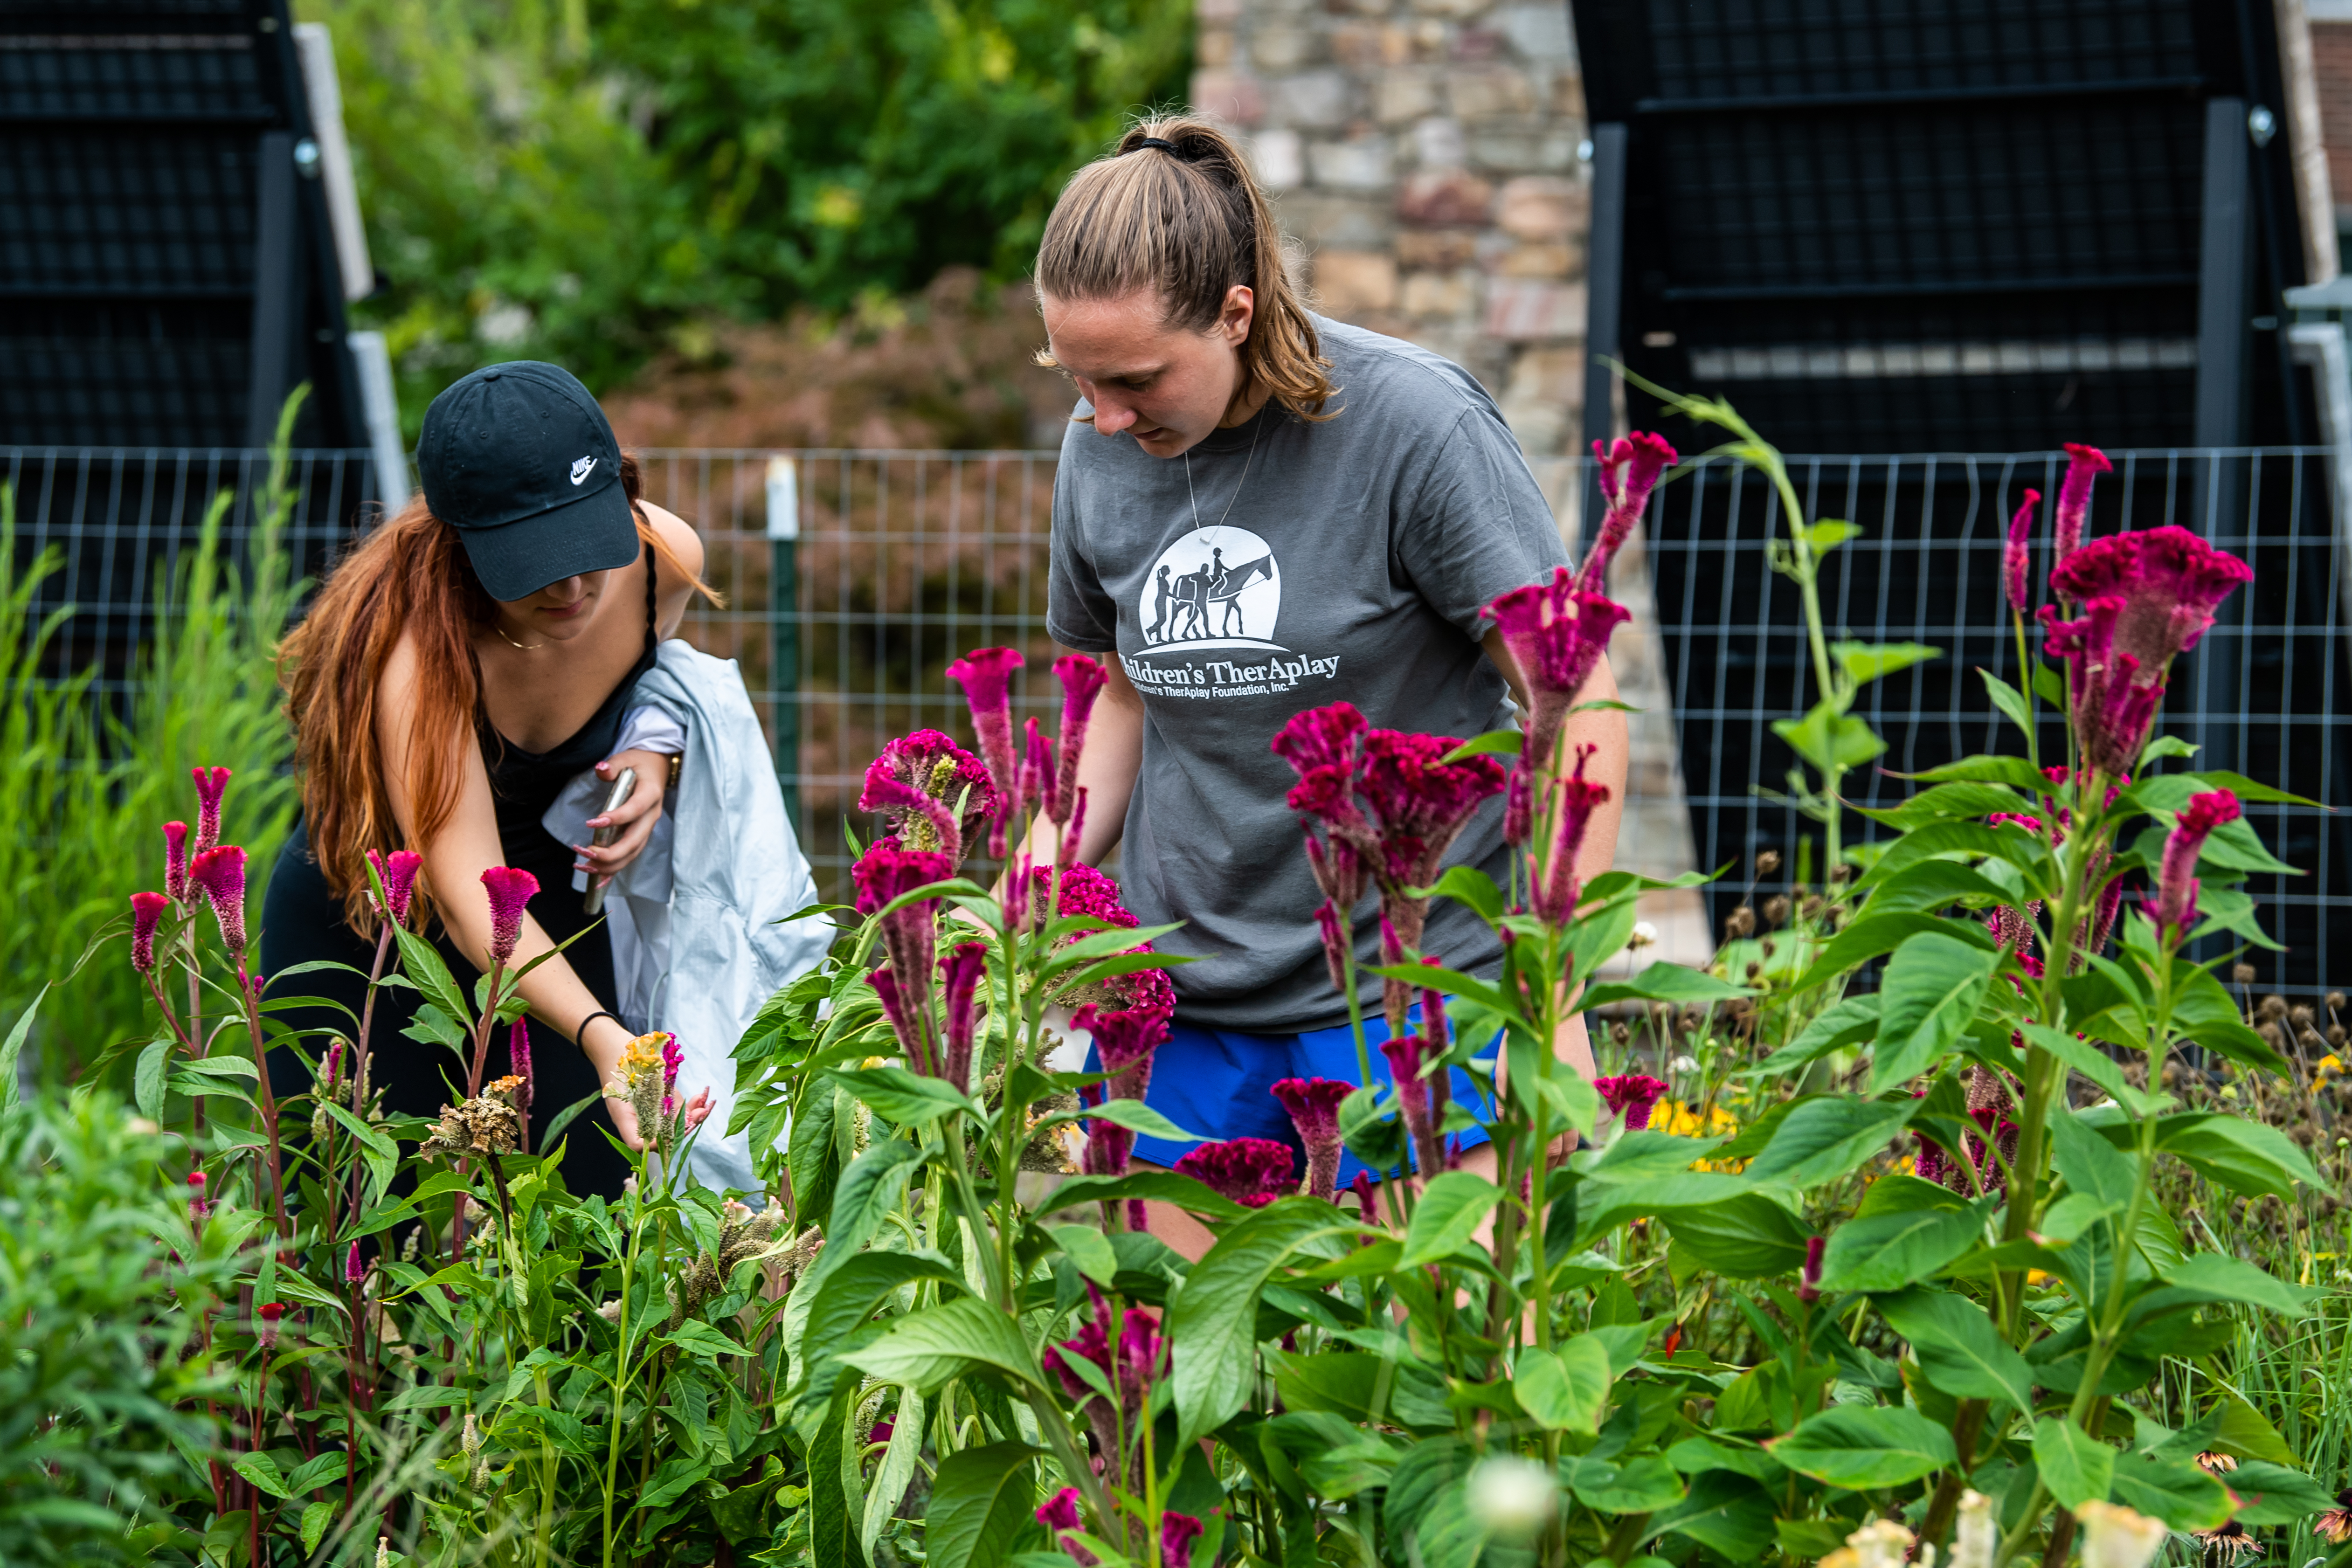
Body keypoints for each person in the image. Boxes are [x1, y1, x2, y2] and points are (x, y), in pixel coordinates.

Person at [1031, 116, 1628, 1257]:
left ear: (1238, 312)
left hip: (1411, 988)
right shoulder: (1099, 444)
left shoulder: (1414, 426)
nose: (1104, 416)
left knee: (1427, 1390)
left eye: (1137, 378)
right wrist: (1034, 878)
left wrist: (1552, 987)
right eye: (1078, 378)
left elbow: (1576, 699)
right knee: (1175, 1402)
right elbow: (1118, 693)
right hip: (1186, 1003)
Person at [265, 362, 722, 1200]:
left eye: (590, 546)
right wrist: (598, 1033)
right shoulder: (415, 650)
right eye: (536, 563)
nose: (576, 587)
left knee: (589, 1208)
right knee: (357, 1239)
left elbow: (661, 683)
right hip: (375, 933)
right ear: (464, 547)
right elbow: (468, 883)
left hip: (545, 914)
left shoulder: (664, 560)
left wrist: (654, 753)